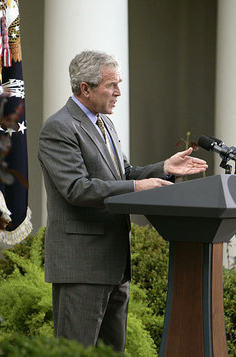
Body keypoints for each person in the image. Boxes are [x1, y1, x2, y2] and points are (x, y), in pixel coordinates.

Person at [37, 50, 207, 352]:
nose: (118, 92)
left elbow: (123, 173)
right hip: (82, 266)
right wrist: (136, 186)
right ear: (85, 88)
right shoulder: (59, 127)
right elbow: (77, 188)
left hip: (115, 264)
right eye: (111, 85)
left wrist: (164, 168)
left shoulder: (105, 124)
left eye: (119, 83)